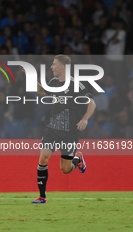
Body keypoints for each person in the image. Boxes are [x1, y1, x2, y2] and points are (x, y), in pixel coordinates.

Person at [31, 55, 96, 204]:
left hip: (70, 132)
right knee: (43, 159)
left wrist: (85, 118)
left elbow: (92, 103)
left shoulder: (75, 84)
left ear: (62, 67)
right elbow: (42, 92)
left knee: (65, 169)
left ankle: (77, 158)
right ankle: (42, 196)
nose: (51, 67)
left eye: (54, 64)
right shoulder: (54, 82)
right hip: (52, 129)